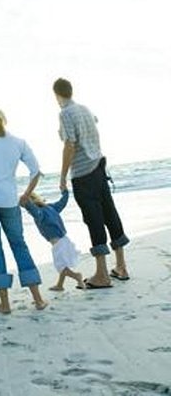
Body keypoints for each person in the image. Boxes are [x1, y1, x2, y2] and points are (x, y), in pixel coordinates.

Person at [53, 78, 130, 289]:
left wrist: (62, 176)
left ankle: (102, 275)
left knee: (93, 219)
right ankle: (121, 266)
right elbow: (94, 121)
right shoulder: (84, 109)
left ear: (57, 95)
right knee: (109, 213)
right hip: (98, 166)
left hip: (83, 173)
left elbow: (69, 145)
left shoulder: (65, 112)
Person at [0, 109, 48, 314]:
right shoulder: (19, 142)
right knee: (19, 245)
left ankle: (4, 304)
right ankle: (38, 299)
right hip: (10, 202)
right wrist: (26, 194)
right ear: (6, 121)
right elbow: (36, 171)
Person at [21, 190, 85, 290]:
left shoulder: (39, 213)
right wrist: (65, 192)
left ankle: (77, 276)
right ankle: (60, 285)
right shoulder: (50, 207)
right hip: (65, 240)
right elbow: (62, 203)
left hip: (58, 244)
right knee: (62, 264)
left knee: (61, 266)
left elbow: (34, 210)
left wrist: (27, 204)